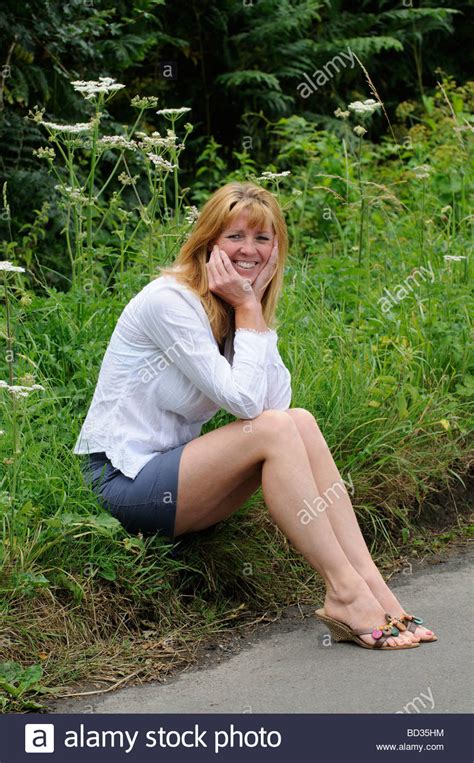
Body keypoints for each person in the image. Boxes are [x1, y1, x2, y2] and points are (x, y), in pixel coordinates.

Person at [74, 181, 437, 650]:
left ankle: (373, 587)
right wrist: (248, 307)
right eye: (235, 237)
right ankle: (344, 592)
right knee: (276, 428)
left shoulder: (233, 307)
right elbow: (249, 408)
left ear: (276, 249)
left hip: (176, 477)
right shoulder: (171, 301)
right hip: (122, 481)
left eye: (262, 239)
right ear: (208, 243)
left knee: (299, 420)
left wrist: (252, 313)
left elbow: (277, 404)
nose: (249, 250)